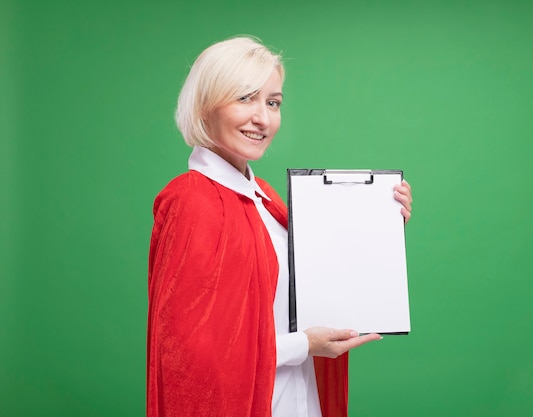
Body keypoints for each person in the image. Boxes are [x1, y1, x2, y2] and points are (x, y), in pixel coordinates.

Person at [147, 36, 413, 417]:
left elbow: (313, 284)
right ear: (205, 106)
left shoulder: (265, 201)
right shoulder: (192, 200)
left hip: (300, 401)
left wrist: (380, 229)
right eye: (245, 98)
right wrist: (303, 345)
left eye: (272, 102)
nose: (263, 118)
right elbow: (191, 354)